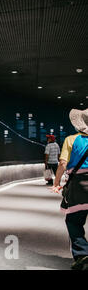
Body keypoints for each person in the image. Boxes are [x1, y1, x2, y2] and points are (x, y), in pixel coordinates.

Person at [51, 108, 88, 270]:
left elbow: (62, 163)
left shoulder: (71, 140)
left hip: (79, 186)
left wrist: (56, 182)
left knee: (74, 221)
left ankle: (82, 254)